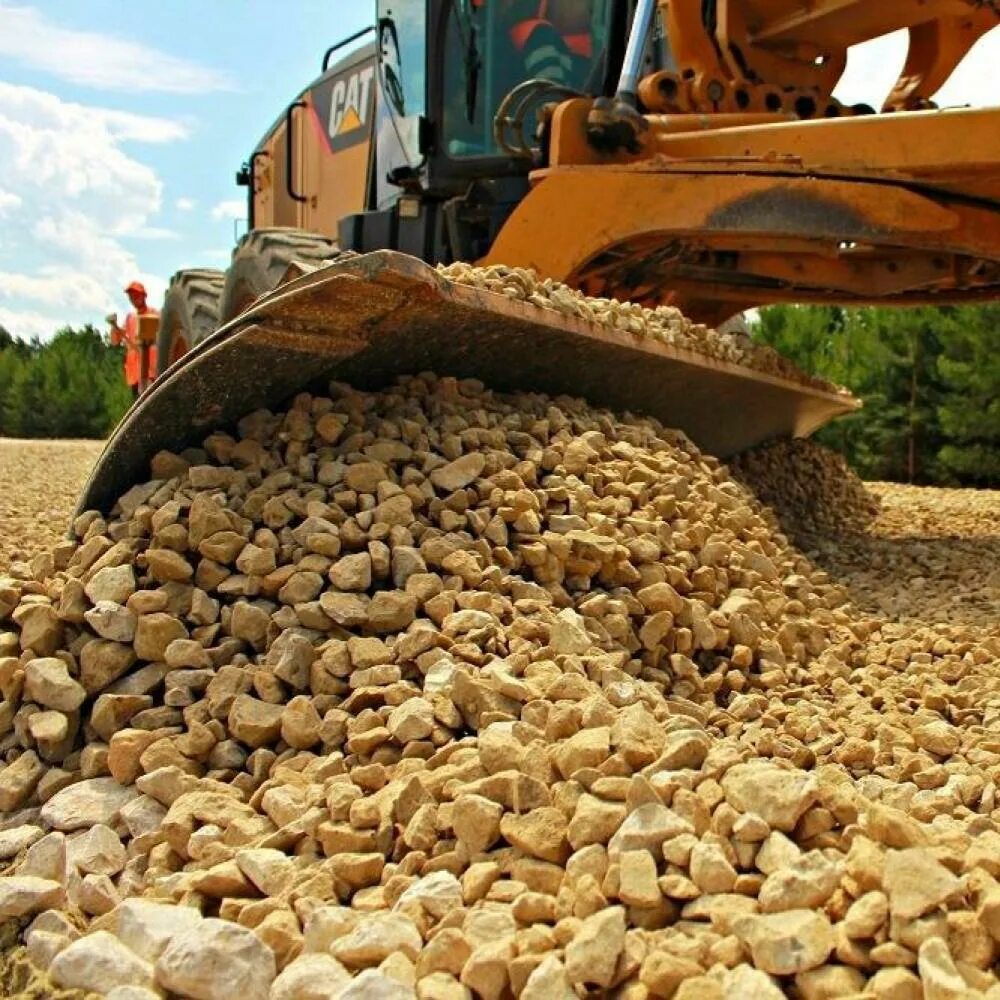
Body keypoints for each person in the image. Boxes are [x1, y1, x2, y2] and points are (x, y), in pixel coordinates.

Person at [108, 281, 159, 402]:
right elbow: (115, 341)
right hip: (135, 375)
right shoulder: (130, 318)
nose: (133, 298)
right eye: (131, 296)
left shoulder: (153, 314)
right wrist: (114, 326)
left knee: (152, 406)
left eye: (136, 295)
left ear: (144, 295)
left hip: (150, 372)